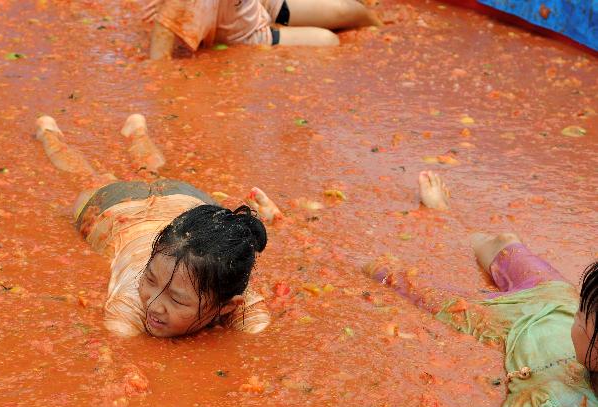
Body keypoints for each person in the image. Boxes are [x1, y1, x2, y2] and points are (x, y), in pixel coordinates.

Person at [365, 171, 598, 407]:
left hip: (507, 323)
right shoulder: (575, 311)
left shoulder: (553, 404)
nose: (575, 319)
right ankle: (445, 215)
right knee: (505, 241)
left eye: (580, 320)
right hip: (555, 296)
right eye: (581, 308)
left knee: (391, 275)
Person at [34, 113, 273, 338]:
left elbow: (259, 330)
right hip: (115, 210)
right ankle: (48, 133)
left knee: (150, 171)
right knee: (86, 177)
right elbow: (119, 337)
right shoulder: (131, 301)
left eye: (177, 300)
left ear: (228, 306)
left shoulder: (241, 300)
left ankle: (137, 130)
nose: (154, 305)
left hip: (186, 203)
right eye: (148, 280)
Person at [144, 0, 383, 59]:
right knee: (329, 41)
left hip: (255, 4)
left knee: (346, 9)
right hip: (245, 33)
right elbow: (159, 62)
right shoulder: (180, 6)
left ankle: (384, 31)